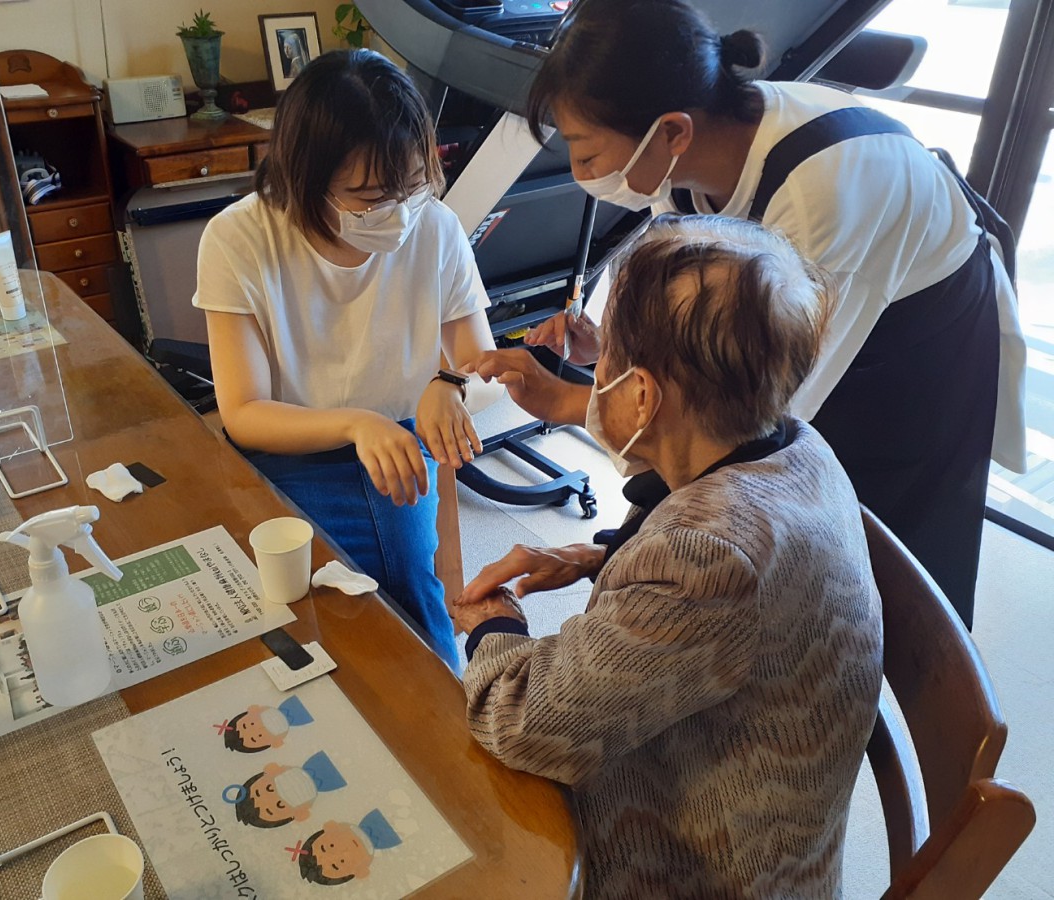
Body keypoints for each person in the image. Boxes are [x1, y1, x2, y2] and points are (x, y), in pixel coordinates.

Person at [479, 0, 1025, 629]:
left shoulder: (821, 198)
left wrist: (574, 405)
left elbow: (745, 422)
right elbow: (695, 338)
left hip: (917, 338)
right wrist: (610, 356)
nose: (582, 175)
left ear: (672, 131)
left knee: (871, 553)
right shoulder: (689, 163)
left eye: (585, 152)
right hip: (825, 303)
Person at [454, 216, 883, 898]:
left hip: (701, 872)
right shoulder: (798, 447)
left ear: (642, 396)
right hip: (765, 816)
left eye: (606, 361)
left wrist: (492, 624)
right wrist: (601, 555)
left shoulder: (705, 559)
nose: (595, 377)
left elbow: (522, 721)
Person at [194, 50, 500, 668]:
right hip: (287, 451)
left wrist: (449, 381)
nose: (397, 213)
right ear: (305, 178)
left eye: (412, 186)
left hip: (401, 444)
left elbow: (482, 362)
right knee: (302, 615)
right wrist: (357, 423)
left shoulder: (435, 227)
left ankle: (446, 705)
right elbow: (243, 412)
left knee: (411, 598)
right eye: (367, 196)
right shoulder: (239, 238)